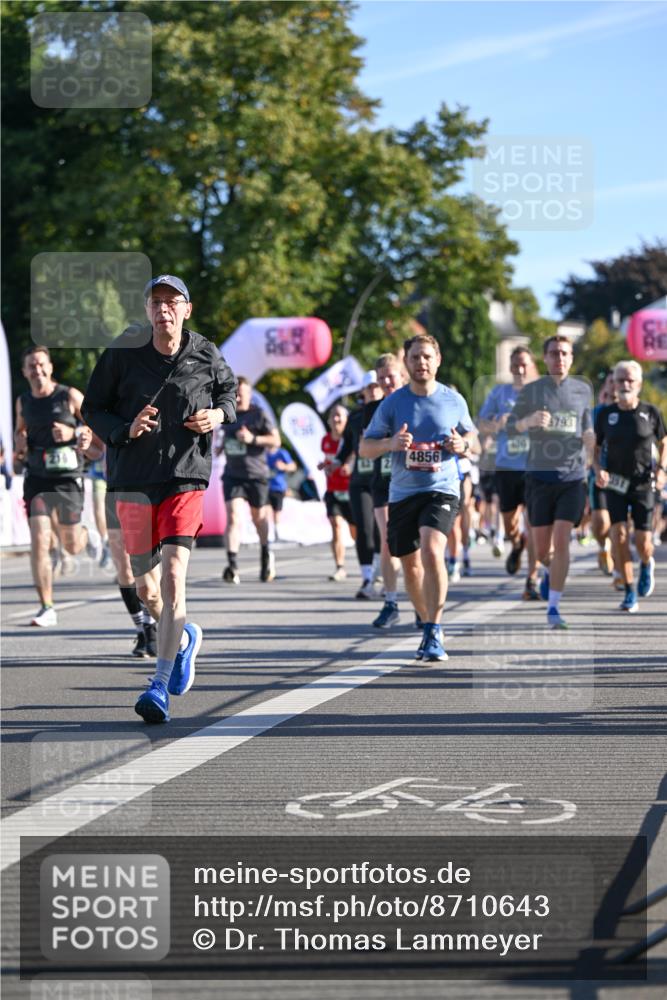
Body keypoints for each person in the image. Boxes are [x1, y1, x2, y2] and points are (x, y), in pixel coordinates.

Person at [82, 274, 237, 723]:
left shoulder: (205, 352)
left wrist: (217, 414)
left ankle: (159, 684)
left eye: (172, 302)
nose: (163, 309)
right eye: (156, 302)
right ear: (147, 310)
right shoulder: (123, 353)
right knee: (146, 588)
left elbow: (230, 394)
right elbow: (94, 407)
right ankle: (185, 637)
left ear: (187, 309)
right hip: (132, 480)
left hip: (184, 478)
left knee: (172, 577)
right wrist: (123, 430)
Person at [360, 333, 476, 662]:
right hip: (403, 492)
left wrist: (462, 446)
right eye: (415, 357)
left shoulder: (454, 400)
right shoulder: (393, 403)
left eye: (427, 356)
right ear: (407, 362)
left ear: (437, 360)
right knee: (410, 567)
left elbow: (474, 439)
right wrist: (391, 444)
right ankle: (426, 620)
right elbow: (365, 448)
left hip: (442, 487)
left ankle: (434, 629)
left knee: (431, 549)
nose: (421, 362)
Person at [508, 335, 594, 628]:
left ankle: (554, 608)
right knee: (544, 551)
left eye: (565, 353)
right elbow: (510, 427)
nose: (560, 358)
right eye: (554, 353)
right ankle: (548, 569)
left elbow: (587, 427)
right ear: (544, 358)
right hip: (539, 478)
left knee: (563, 540)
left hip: (572, 477)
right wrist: (528, 422)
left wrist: (591, 447)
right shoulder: (532, 391)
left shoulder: (582, 390)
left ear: (572, 358)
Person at [14, 345, 103, 627]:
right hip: (37, 477)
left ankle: (87, 536)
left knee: (71, 544)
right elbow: (20, 433)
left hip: (68, 477)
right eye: (31, 366)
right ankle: (47, 607)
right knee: (39, 539)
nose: (37, 370)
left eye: (41, 364)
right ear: (24, 372)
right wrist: (20, 446)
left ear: (50, 367)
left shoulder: (69, 396)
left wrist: (73, 432)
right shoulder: (23, 401)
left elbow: (97, 433)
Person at [593, 359, 667, 612]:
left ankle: (647, 563)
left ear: (639, 384)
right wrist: (597, 469)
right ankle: (628, 589)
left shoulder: (651, 412)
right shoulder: (605, 414)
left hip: (643, 484)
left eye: (629, 380)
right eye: (620, 380)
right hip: (615, 483)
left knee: (642, 541)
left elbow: (664, 443)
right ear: (613, 383)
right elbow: (595, 448)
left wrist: (662, 470)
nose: (624, 384)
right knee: (619, 536)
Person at [478, 346, 541, 600]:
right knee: (510, 523)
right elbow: (482, 424)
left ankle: (531, 580)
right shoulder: (499, 393)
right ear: (510, 366)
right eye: (515, 364)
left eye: (524, 363)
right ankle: (516, 544)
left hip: (535, 467)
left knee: (534, 525)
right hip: (506, 467)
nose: (520, 369)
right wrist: (497, 424)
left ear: (532, 365)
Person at [218, 377, 281, 584]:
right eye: (234, 393)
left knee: (258, 518)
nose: (236, 397)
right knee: (234, 517)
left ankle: (265, 553)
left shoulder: (258, 415)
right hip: (233, 475)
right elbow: (223, 441)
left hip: (256, 475)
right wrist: (219, 446)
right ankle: (232, 565)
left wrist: (253, 439)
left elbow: (275, 441)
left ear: (249, 394)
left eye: (240, 393)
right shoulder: (227, 415)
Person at [367, 353, 409, 628]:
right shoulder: (374, 410)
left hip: (413, 483)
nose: (386, 382)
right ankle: (391, 601)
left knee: (413, 546)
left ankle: (420, 601)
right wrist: (387, 443)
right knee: (387, 539)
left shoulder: (413, 403)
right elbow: (365, 449)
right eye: (381, 379)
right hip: (383, 481)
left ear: (402, 376)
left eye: (390, 377)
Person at [337, 371, 383, 599]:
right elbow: (345, 448)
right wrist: (334, 462)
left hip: (384, 479)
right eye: (369, 387)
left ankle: (381, 574)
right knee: (364, 528)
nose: (374, 390)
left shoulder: (389, 411)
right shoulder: (355, 418)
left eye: (377, 386)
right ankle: (367, 578)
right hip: (360, 480)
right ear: (363, 391)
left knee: (381, 530)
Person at [319, 403, 355, 581]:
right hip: (333, 489)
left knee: (356, 531)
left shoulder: (351, 439)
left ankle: (369, 561)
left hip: (352, 490)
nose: (336, 419)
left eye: (340, 415)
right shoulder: (325, 440)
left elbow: (357, 456)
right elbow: (329, 460)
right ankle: (340, 567)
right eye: (333, 415)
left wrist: (350, 465)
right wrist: (324, 465)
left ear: (347, 420)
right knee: (336, 525)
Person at [267, 445, 297, 542]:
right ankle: (267, 533)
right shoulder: (261, 452)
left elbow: (293, 466)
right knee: (264, 511)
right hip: (264, 486)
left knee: (277, 511)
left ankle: (277, 534)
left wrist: (284, 466)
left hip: (278, 487)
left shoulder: (282, 453)